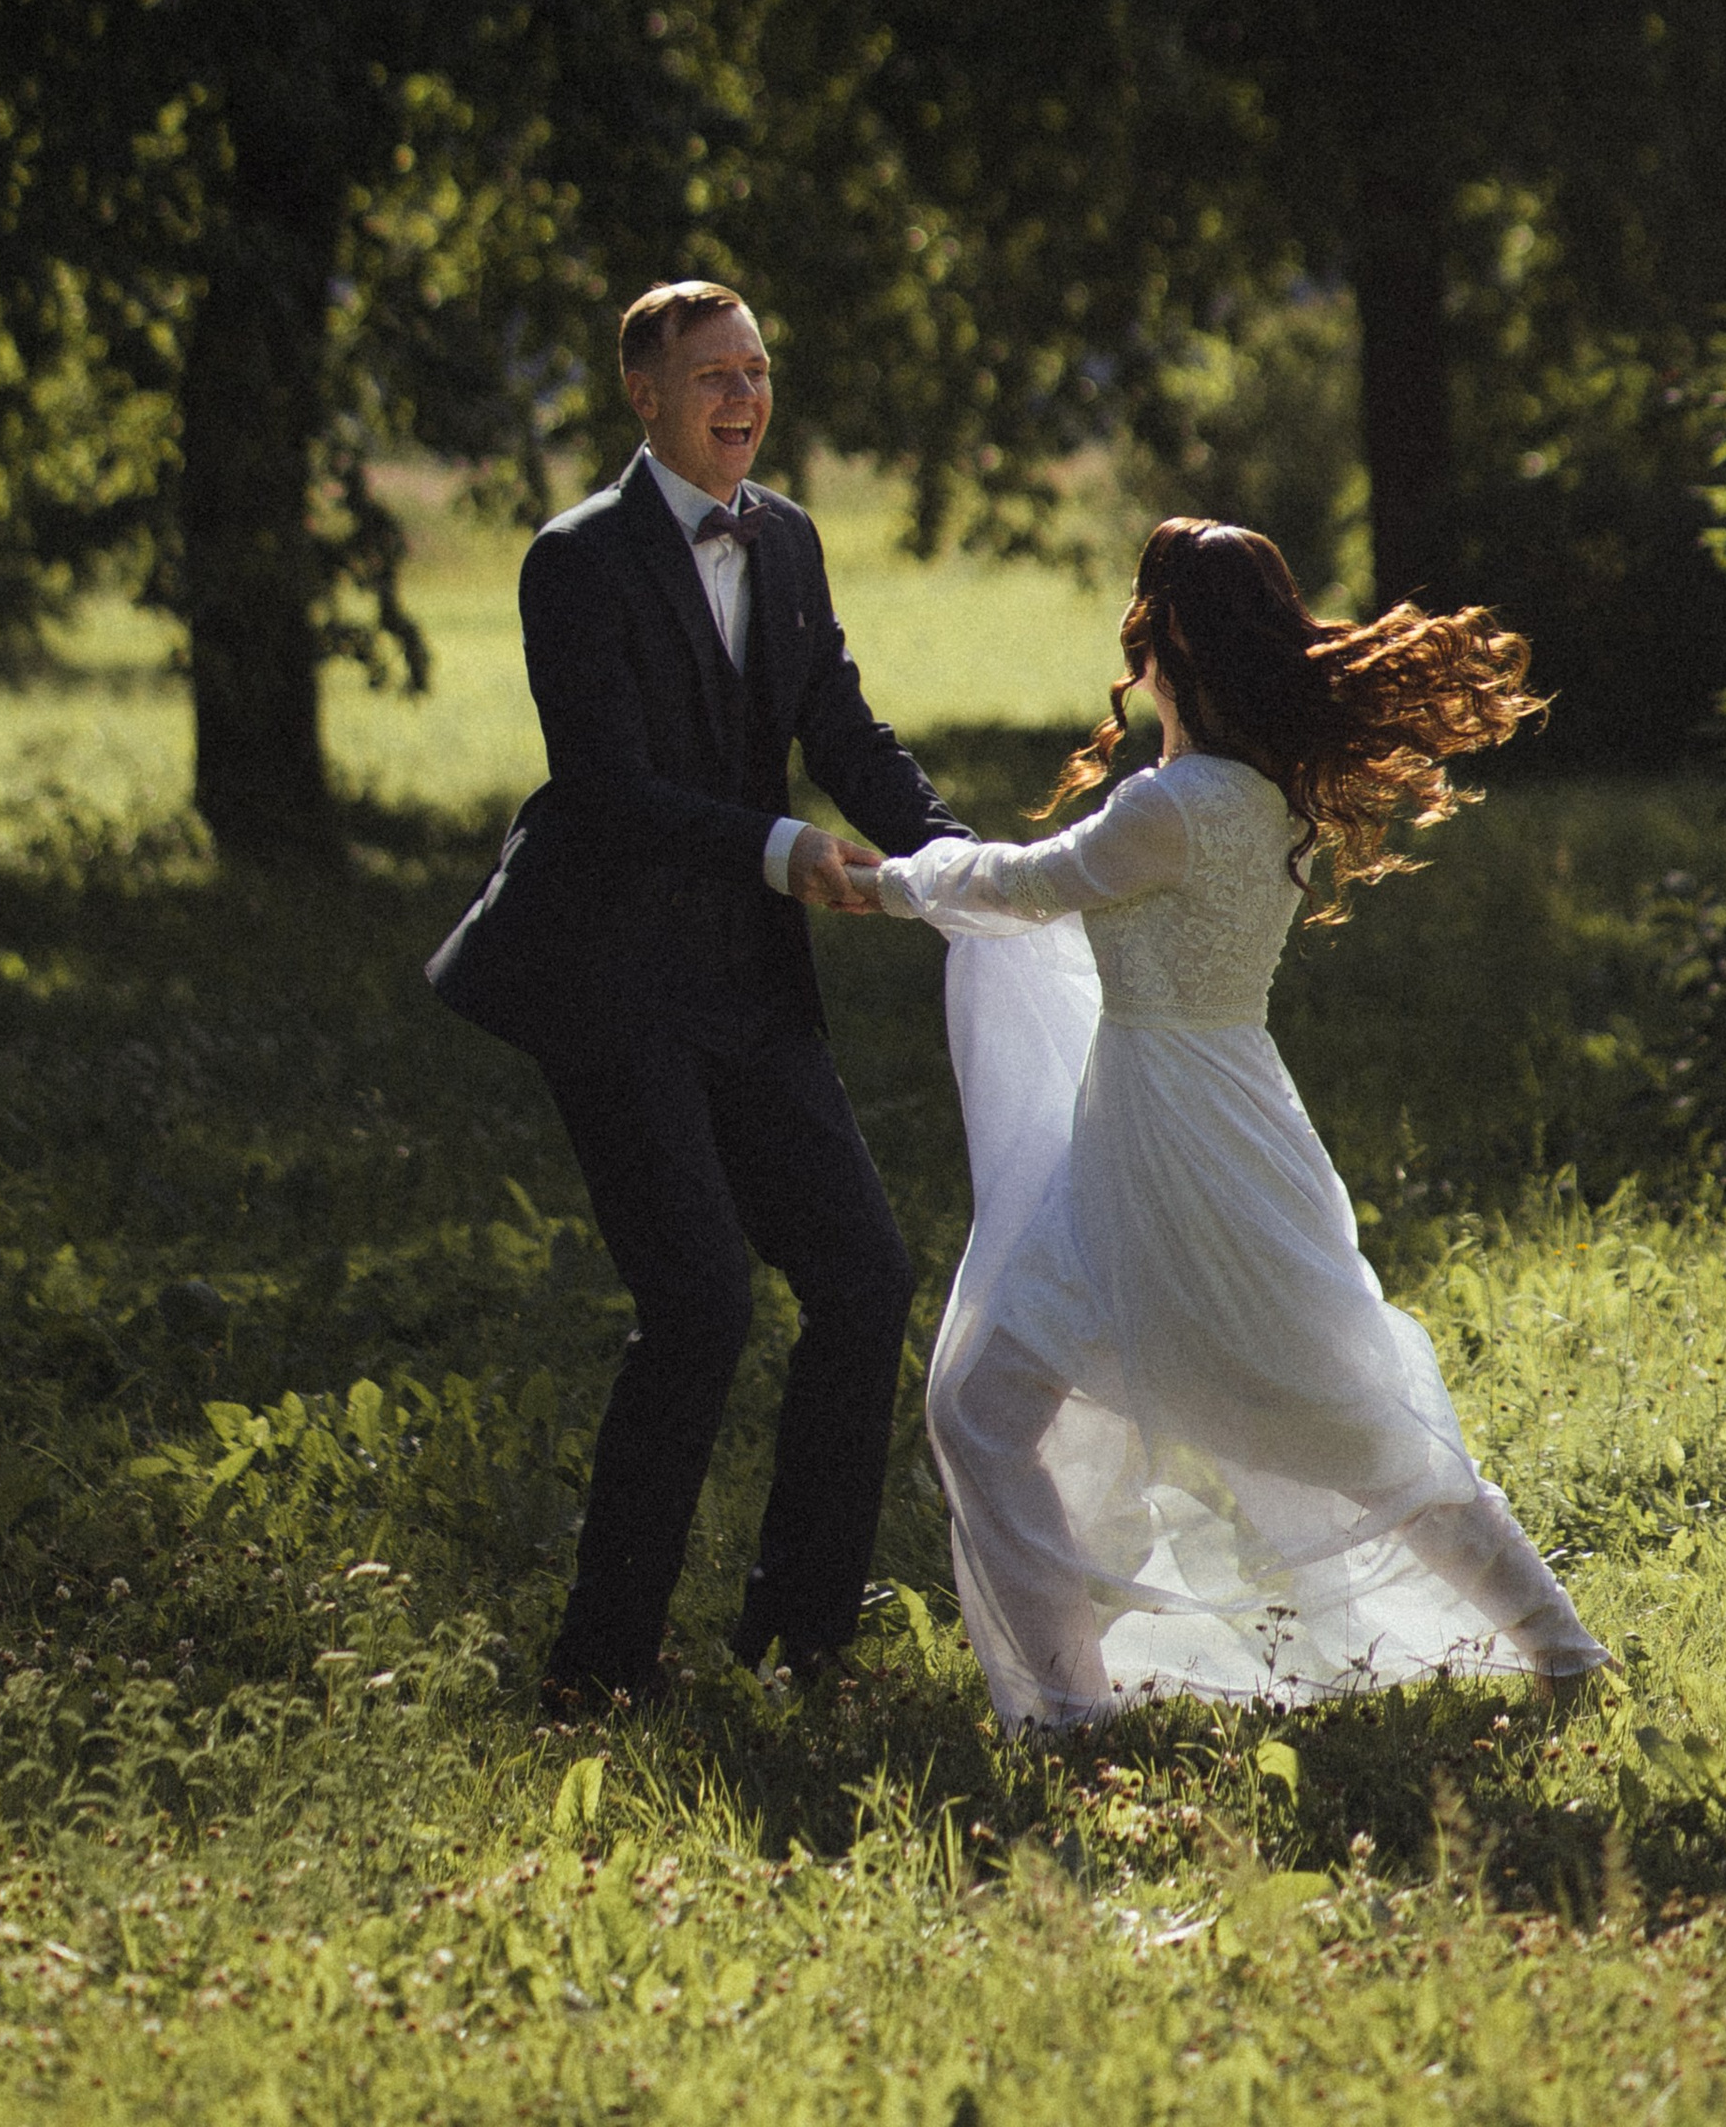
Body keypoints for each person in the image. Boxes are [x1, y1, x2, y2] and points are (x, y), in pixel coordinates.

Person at [840, 517, 1609, 1731]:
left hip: (1187, 1144)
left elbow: (1024, 889)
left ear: (1166, 640)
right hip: (1154, 1129)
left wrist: (882, 880)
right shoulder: (1257, 793)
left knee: (1338, 1417)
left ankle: (1562, 1651)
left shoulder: (1174, 807)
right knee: (984, 1409)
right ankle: (1071, 1711)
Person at [424, 280, 975, 1714]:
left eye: (759, 371)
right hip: (609, 976)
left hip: (746, 981)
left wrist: (953, 856)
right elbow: (604, 789)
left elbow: (835, 718)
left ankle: (803, 1636)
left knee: (863, 1275)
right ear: (644, 398)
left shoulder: (785, 538)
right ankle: (597, 1663)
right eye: (714, 375)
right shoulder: (578, 561)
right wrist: (780, 849)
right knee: (702, 1305)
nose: (743, 397)